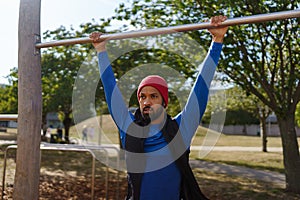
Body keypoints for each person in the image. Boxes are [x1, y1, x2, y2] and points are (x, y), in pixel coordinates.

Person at [90, 15, 228, 200]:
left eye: (153, 96)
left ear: (164, 102)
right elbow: (110, 87)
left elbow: (201, 86)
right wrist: (101, 51)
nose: (146, 102)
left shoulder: (181, 128)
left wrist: (217, 41)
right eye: (142, 97)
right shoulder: (128, 125)